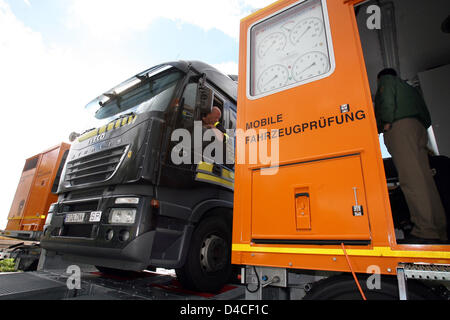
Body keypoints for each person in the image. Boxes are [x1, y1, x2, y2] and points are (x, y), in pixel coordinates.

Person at [375, 68, 448, 244]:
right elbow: (426, 116)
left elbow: (386, 103)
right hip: (419, 130)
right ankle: (439, 228)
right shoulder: (410, 89)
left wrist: (385, 124)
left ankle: (425, 230)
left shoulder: (386, 82)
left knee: (411, 180)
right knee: (425, 180)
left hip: (400, 129)